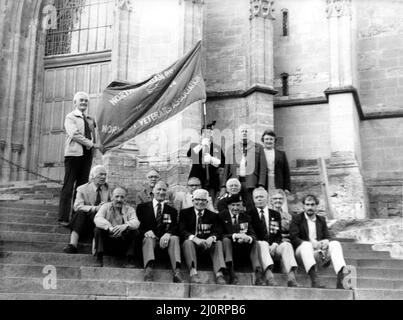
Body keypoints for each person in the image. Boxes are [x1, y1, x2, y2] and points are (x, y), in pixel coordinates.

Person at [58, 92, 102, 226]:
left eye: (86, 101)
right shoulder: (70, 117)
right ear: (75, 103)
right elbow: (74, 134)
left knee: (82, 187)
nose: (83, 103)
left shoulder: (90, 119)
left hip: (87, 155)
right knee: (68, 185)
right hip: (73, 155)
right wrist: (91, 144)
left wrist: (95, 149)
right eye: (81, 100)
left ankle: (77, 217)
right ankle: (63, 217)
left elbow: (94, 136)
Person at [289, 194, 347, 289]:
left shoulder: (321, 220)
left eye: (312, 205)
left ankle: (341, 279)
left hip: (319, 253)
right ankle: (314, 279)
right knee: (306, 245)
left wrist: (326, 241)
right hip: (302, 253)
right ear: (303, 206)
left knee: (335, 244)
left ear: (316, 206)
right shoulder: (297, 219)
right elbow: (294, 238)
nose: (310, 207)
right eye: (307, 205)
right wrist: (310, 244)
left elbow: (327, 236)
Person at [249, 188, 299, 287]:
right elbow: (251, 234)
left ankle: (291, 277)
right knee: (262, 244)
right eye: (256, 197)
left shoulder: (275, 214)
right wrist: (266, 245)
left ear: (267, 198)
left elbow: (277, 234)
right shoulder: (249, 214)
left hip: (273, 246)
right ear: (253, 199)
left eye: (261, 196)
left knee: (286, 245)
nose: (259, 199)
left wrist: (275, 244)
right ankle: (269, 276)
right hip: (258, 247)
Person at [136, 181, 183, 283]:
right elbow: (137, 226)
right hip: (149, 241)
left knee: (175, 238)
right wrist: (146, 231)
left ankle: (177, 271)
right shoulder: (142, 208)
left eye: (164, 190)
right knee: (149, 238)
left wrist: (168, 233)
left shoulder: (172, 210)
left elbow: (175, 227)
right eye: (159, 189)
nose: (161, 192)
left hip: (165, 242)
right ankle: (148, 269)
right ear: (153, 191)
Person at [179, 189, 227, 285]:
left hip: (207, 244)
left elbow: (218, 232)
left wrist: (211, 238)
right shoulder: (184, 213)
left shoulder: (213, 216)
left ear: (207, 202)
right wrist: (195, 239)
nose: (200, 202)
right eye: (197, 199)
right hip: (192, 244)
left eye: (203, 200)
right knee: (188, 242)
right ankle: (193, 273)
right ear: (192, 201)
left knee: (218, 242)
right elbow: (181, 231)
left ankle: (219, 274)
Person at [63, 165, 110, 254]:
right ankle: (72, 245)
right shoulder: (82, 189)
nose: (104, 177)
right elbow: (77, 206)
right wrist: (95, 208)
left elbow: (112, 204)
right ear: (93, 176)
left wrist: (105, 206)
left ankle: (96, 248)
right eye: (101, 174)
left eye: (105, 175)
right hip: (85, 221)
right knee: (80, 213)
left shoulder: (107, 188)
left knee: (100, 217)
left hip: (100, 220)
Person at [222, 124, 267, 210]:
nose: (244, 133)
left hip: (251, 182)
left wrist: (261, 184)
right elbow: (226, 168)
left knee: (250, 206)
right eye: (242, 131)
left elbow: (263, 168)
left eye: (246, 131)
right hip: (234, 183)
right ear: (238, 133)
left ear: (250, 133)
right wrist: (223, 186)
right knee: (234, 205)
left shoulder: (258, 147)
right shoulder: (231, 148)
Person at [94, 187, 140, 267]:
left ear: (125, 198)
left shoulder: (130, 209)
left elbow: (136, 223)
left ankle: (129, 259)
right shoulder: (105, 206)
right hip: (107, 244)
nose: (119, 199)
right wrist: (109, 227)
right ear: (111, 196)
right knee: (98, 230)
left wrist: (125, 226)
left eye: (122, 197)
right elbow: (97, 219)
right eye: (117, 196)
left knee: (135, 231)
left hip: (122, 244)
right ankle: (99, 258)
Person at [218, 194, 260, 285]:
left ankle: (257, 273)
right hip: (228, 248)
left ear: (241, 205)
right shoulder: (221, 216)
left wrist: (247, 238)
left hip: (242, 248)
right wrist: (234, 236)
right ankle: (231, 273)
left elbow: (253, 234)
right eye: (233, 205)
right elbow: (219, 234)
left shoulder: (246, 217)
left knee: (255, 242)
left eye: (238, 205)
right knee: (225, 240)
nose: (235, 208)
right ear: (228, 206)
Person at [187, 121, 225, 201]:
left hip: (211, 179)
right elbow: (190, 154)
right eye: (205, 133)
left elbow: (222, 163)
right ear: (201, 135)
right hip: (197, 178)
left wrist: (211, 158)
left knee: (209, 201)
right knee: (196, 200)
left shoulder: (216, 147)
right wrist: (201, 145)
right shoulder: (195, 145)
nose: (207, 135)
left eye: (209, 133)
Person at [261, 130, 291, 212]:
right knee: (266, 202)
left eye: (271, 139)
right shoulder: (259, 153)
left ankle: (283, 221)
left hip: (278, 181)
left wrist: (287, 187)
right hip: (264, 182)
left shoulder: (281, 154)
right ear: (263, 140)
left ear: (274, 141)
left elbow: (286, 171)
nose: (269, 141)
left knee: (279, 202)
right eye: (266, 139)